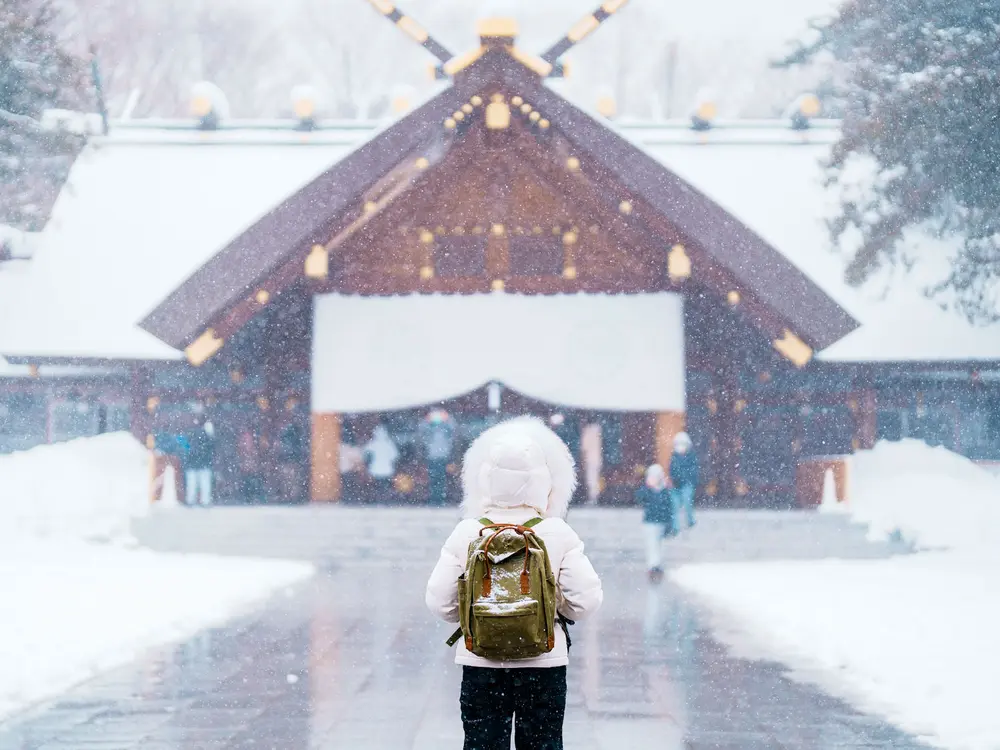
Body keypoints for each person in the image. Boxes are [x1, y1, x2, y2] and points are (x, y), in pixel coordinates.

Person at [426, 417, 603, 750]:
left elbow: (440, 603)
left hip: (481, 662)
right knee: (542, 742)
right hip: (544, 662)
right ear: (544, 480)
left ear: (484, 479)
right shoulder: (556, 532)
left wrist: (477, 612)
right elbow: (586, 601)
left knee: (482, 744)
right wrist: (548, 604)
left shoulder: (468, 532)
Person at [635, 463, 673, 582]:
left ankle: (658, 564)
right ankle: (653, 565)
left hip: (661, 522)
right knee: (652, 544)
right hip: (650, 522)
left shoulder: (664, 491)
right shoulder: (647, 490)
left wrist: (669, 522)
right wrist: (647, 487)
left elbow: (668, 507)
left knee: (659, 545)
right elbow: (639, 498)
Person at [419, 409, 455, 506]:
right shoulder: (432, 431)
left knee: (439, 480)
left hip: (439, 457)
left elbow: (453, 428)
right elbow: (422, 430)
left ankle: (438, 499)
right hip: (435, 457)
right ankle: (436, 499)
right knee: (435, 480)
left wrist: (447, 417)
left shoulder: (445, 430)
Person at [669, 432, 699, 533]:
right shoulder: (674, 458)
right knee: (674, 506)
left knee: (687, 502)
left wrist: (689, 481)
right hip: (676, 485)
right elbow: (672, 471)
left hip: (687, 484)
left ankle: (690, 520)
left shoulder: (691, 457)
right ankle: (675, 527)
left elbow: (694, 472)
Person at [363, 423, 400, 501]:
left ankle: (378, 499)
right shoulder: (389, 444)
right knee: (385, 486)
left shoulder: (373, 444)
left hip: (375, 469)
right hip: (387, 470)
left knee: (378, 486)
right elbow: (395, 456)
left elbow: (365, 452)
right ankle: (385, 500)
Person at [184, 419, 215, 507]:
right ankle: (204, 501)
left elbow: (187, 447)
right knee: (204, 483)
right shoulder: (207, 435)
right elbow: (211, 446)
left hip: (192, 462)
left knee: (192, 483)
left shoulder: (191, 434)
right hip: (204, 463)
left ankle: (190, 500)